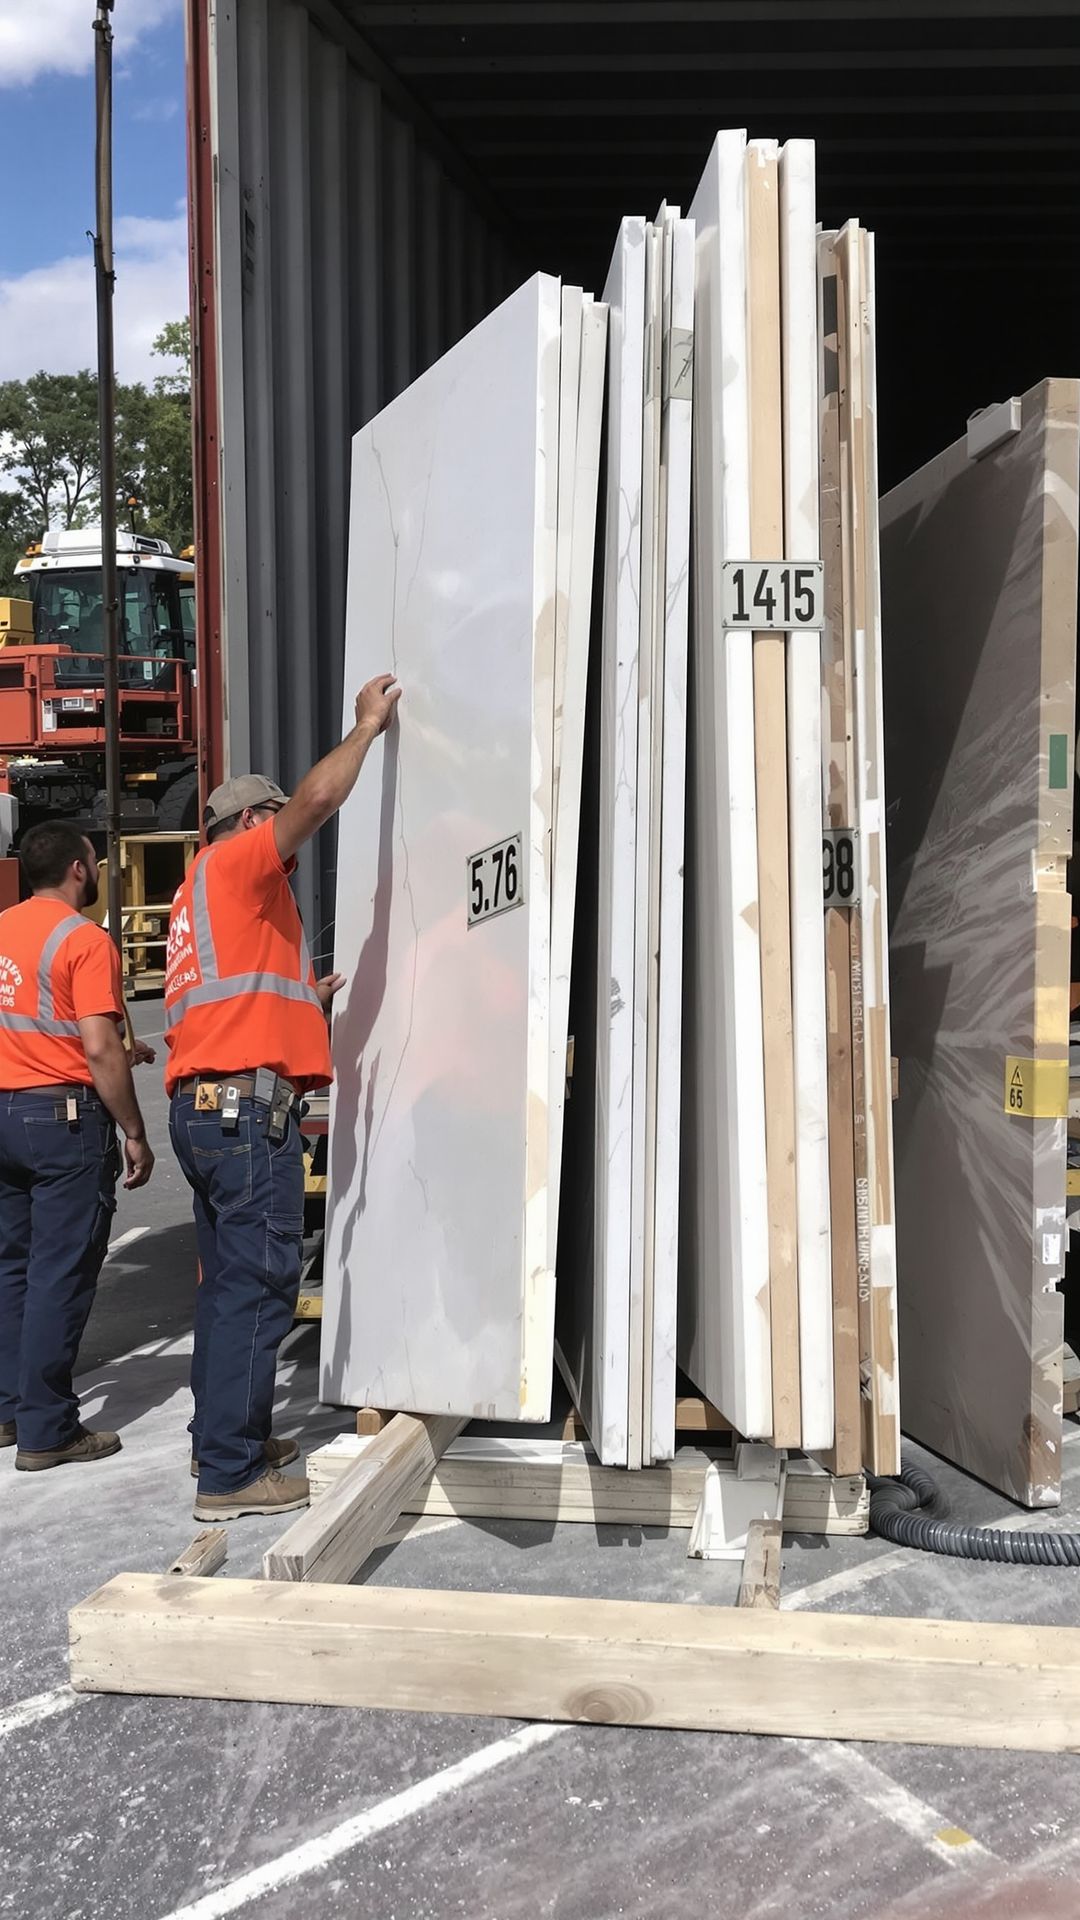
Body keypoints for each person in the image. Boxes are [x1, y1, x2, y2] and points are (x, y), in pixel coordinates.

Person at [165, 672, 401, 1522]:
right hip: (241, 1117)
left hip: (205, 1110)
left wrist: (309, 1001)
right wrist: (367, 727)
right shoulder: (240, 862)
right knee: (258, 1288)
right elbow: (318, 797)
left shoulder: (198, 895)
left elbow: (233, 1002)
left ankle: (222, 1439)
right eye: (276, 827)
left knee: (227, 1286)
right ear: (254, 824)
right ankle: (229, 1475)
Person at [0, 821, 155, 1470]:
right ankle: (48, 1429)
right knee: (60, 1274)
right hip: (60, 1122)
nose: (98, 873)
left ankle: (11, 1412)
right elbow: (94, 1046)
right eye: (95, 863)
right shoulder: (85, 941)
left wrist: (125, 1049)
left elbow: (41, 1023)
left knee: (12, 1270)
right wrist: (134, 1131)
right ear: (76, 870)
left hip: (5, 1113)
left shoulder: (4, 929)